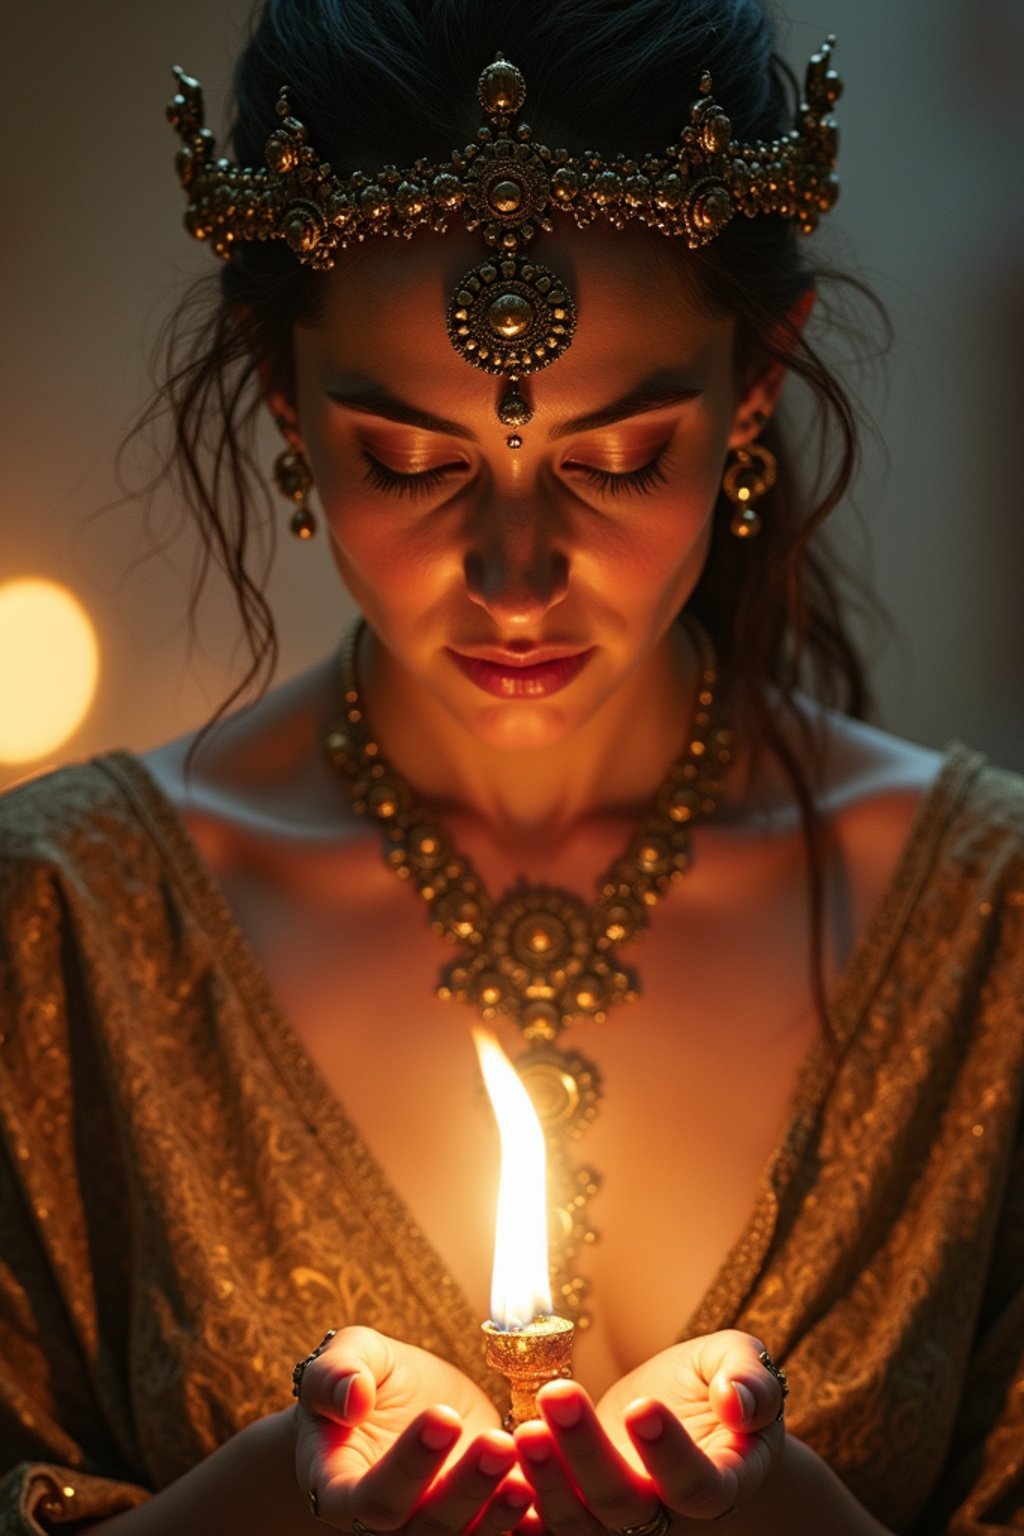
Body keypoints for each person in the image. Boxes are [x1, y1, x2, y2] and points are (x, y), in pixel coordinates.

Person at [1, 1, 1022, 1533]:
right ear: (281, 395)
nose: (520, 576)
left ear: (756, 386)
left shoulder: (989, 930)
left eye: (619, 461)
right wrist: (252, 1511)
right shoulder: (61, 927)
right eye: (409, 463)